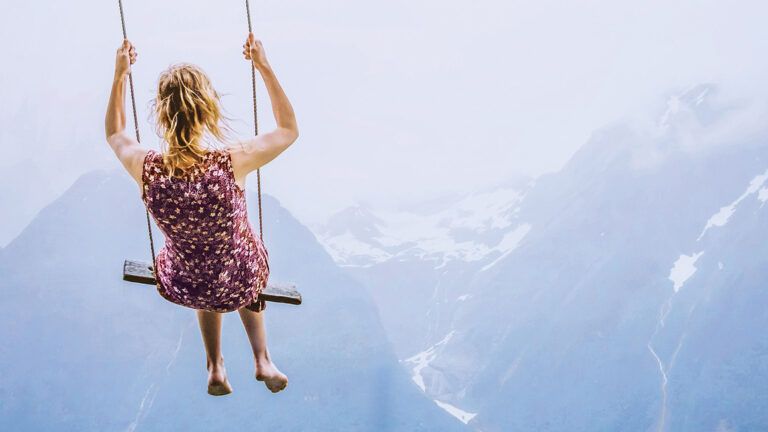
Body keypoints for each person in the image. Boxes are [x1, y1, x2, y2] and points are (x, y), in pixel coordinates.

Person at [104, 33, 298, 396]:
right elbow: (288, 129)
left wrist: (119, 75)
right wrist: (264, 66)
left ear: (161, 114)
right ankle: (262, 359)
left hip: (186, 282)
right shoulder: (231, 163)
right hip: (240, 278)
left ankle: (214, 366)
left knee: (203, 267)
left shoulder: (146, 168)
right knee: (238, 260)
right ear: (208, 112)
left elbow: (115, 132)